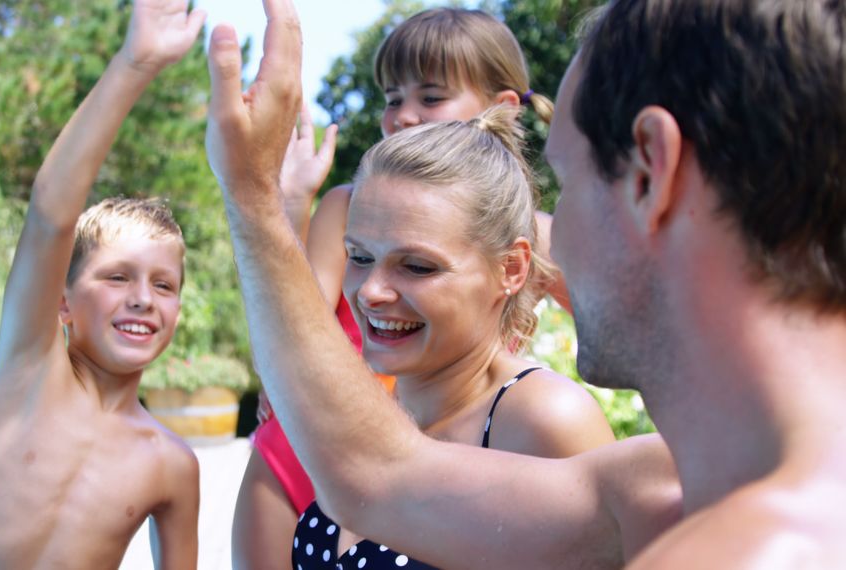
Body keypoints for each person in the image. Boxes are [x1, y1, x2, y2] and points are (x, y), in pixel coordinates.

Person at [206, 0, 846, 567]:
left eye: (569, 180)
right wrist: (260, 200)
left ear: (652, 169)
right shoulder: (671, 484)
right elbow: (378, 477)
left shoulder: (740, 540)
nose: (553, 232)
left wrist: (253, 196)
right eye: (361, 258)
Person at [233, 12, 578, 566]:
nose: (406, 115)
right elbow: (293, 329)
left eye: (418, 266)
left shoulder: (535, 415)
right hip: (311, 446)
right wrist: (285, 204)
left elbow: (629, 337)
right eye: (393, 98)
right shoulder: (350, 203)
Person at [0, 2, 205, 568]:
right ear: (62, 300)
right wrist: (135, 64)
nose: (142, 298)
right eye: (117, 277)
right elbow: (51, 215)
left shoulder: (171, 466)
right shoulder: (29, 372)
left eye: (164, 285)